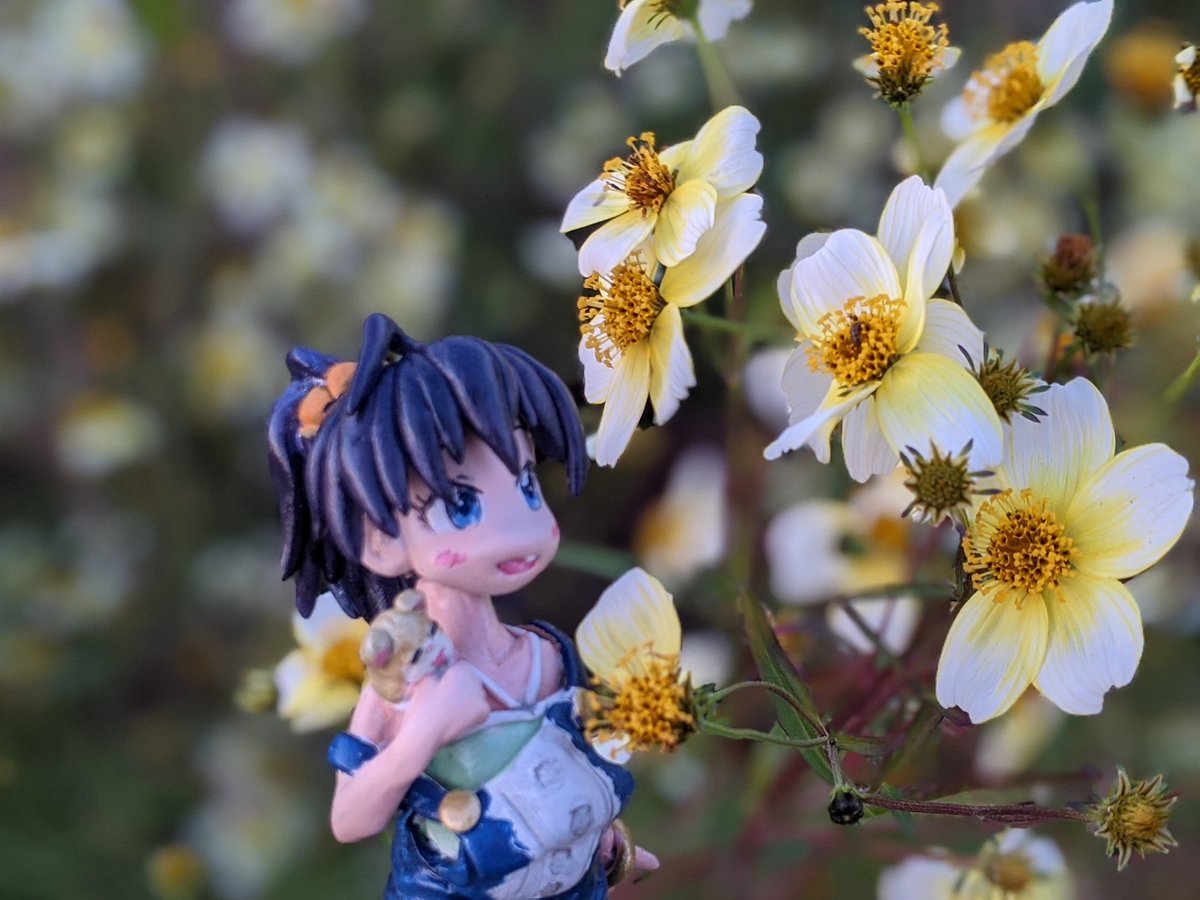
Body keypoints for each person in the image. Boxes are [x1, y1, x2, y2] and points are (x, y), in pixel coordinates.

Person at [267, 313, 654, 898]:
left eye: (527, 484)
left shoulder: (547, 653)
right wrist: (422, 735)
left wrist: (604, 842)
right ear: (381, 539)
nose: (519, 527)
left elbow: (570, 761)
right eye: (462, 506)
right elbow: (349, 819)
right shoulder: (402, 684)